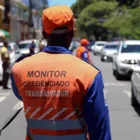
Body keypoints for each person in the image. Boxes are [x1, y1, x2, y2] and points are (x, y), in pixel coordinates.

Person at [11, 5, 111, 140]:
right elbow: (100, 132)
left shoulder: (19, 69)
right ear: (72, 33)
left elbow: (21, 95)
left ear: (44, 33)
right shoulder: (89, 75)